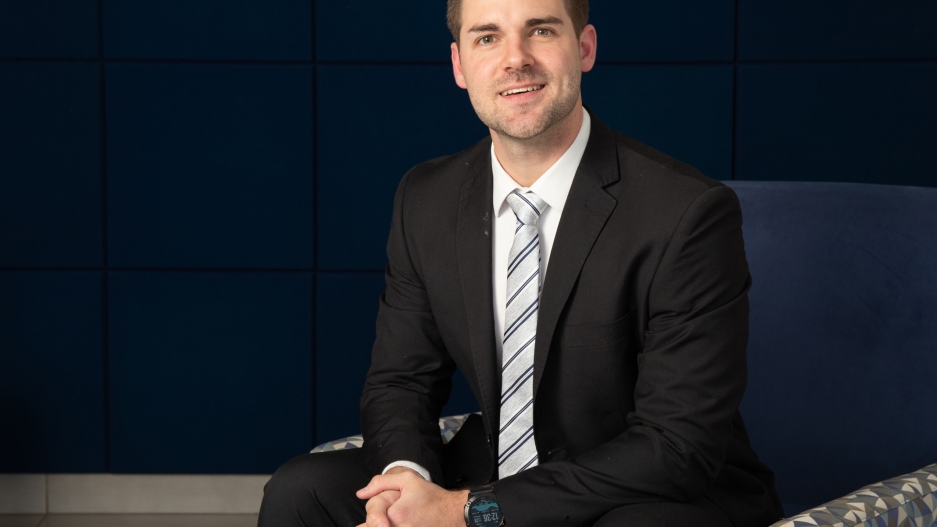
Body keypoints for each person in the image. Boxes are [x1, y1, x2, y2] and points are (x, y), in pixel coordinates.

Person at [259, 0, 784, 525]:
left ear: (584, 48)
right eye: (487, 37)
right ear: (460, 65)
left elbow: (676, 446)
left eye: (541, 30)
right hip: (495, 467)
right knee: (303, 490)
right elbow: (401, 383)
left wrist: (465, 511)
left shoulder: (685, 213)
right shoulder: (426, 199)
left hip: (648, 490)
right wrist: (405, 484)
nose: (515, 58)